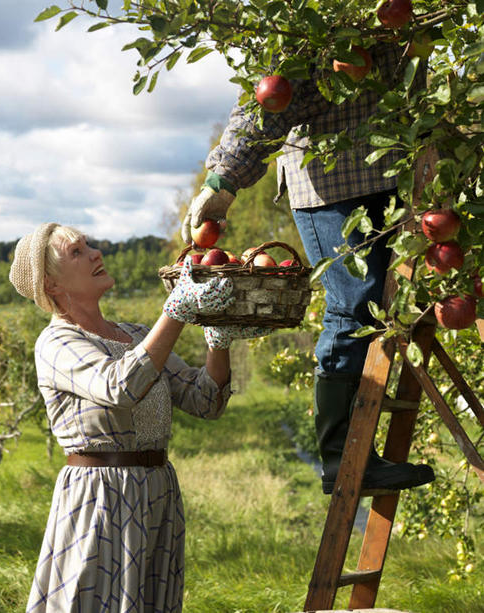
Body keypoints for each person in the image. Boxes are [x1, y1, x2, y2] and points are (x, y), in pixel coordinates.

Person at [182, 41, 434, 495]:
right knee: (354, 304)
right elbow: (267, 103)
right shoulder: (320, 25)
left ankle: (361, 451)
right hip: (332, 181)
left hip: (396, 173)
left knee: (390, 310)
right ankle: (342, 458)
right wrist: (223, 180)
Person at [10, 222, 268, 612]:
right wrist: (177, 310)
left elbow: (205, 401)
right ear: (51, 285)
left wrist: (218, 337)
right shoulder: (56, 343)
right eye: (77, 253)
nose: (96, 253)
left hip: (157, 493)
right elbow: (119, 387)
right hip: (100, 498)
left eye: (89, 246)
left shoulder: (135, 335)